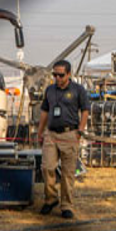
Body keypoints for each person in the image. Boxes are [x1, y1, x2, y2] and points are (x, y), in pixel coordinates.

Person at [37, 60, 90, 219]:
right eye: (54, 74)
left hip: (70, 135)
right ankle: (50, 199)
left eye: (60, 75)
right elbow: (45, 111)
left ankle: (66, 205)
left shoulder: (78, 90)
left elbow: (85, 111)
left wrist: (80, 131)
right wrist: (40, 131)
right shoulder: (50, 90)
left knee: (67, 173)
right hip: (51, 135)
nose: (57, 78)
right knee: (47, 167)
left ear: (68, 74)